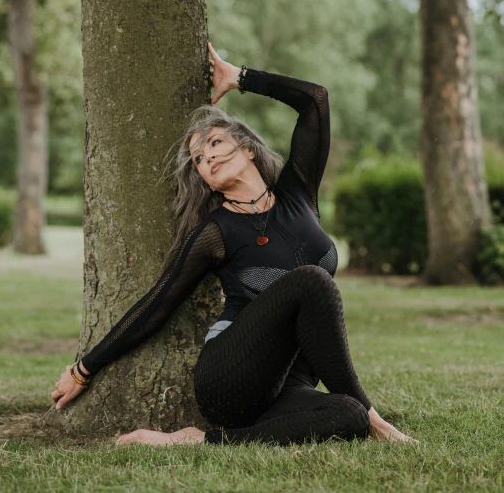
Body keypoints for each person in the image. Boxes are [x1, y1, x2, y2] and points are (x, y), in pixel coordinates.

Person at [51, 42, 417, 447]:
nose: (206, 158)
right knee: (313, 281)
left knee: (343, 416)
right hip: (231, 377)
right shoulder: (216, 231)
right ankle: (377, 421)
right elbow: (156, 305)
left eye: (214, 144)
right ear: (204, 179)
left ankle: (200, 440)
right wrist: (83, 369)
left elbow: (315, 100)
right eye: (198, 159)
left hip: (288, 383)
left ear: (247, 148)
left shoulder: (299, 194)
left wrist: (239, 78)